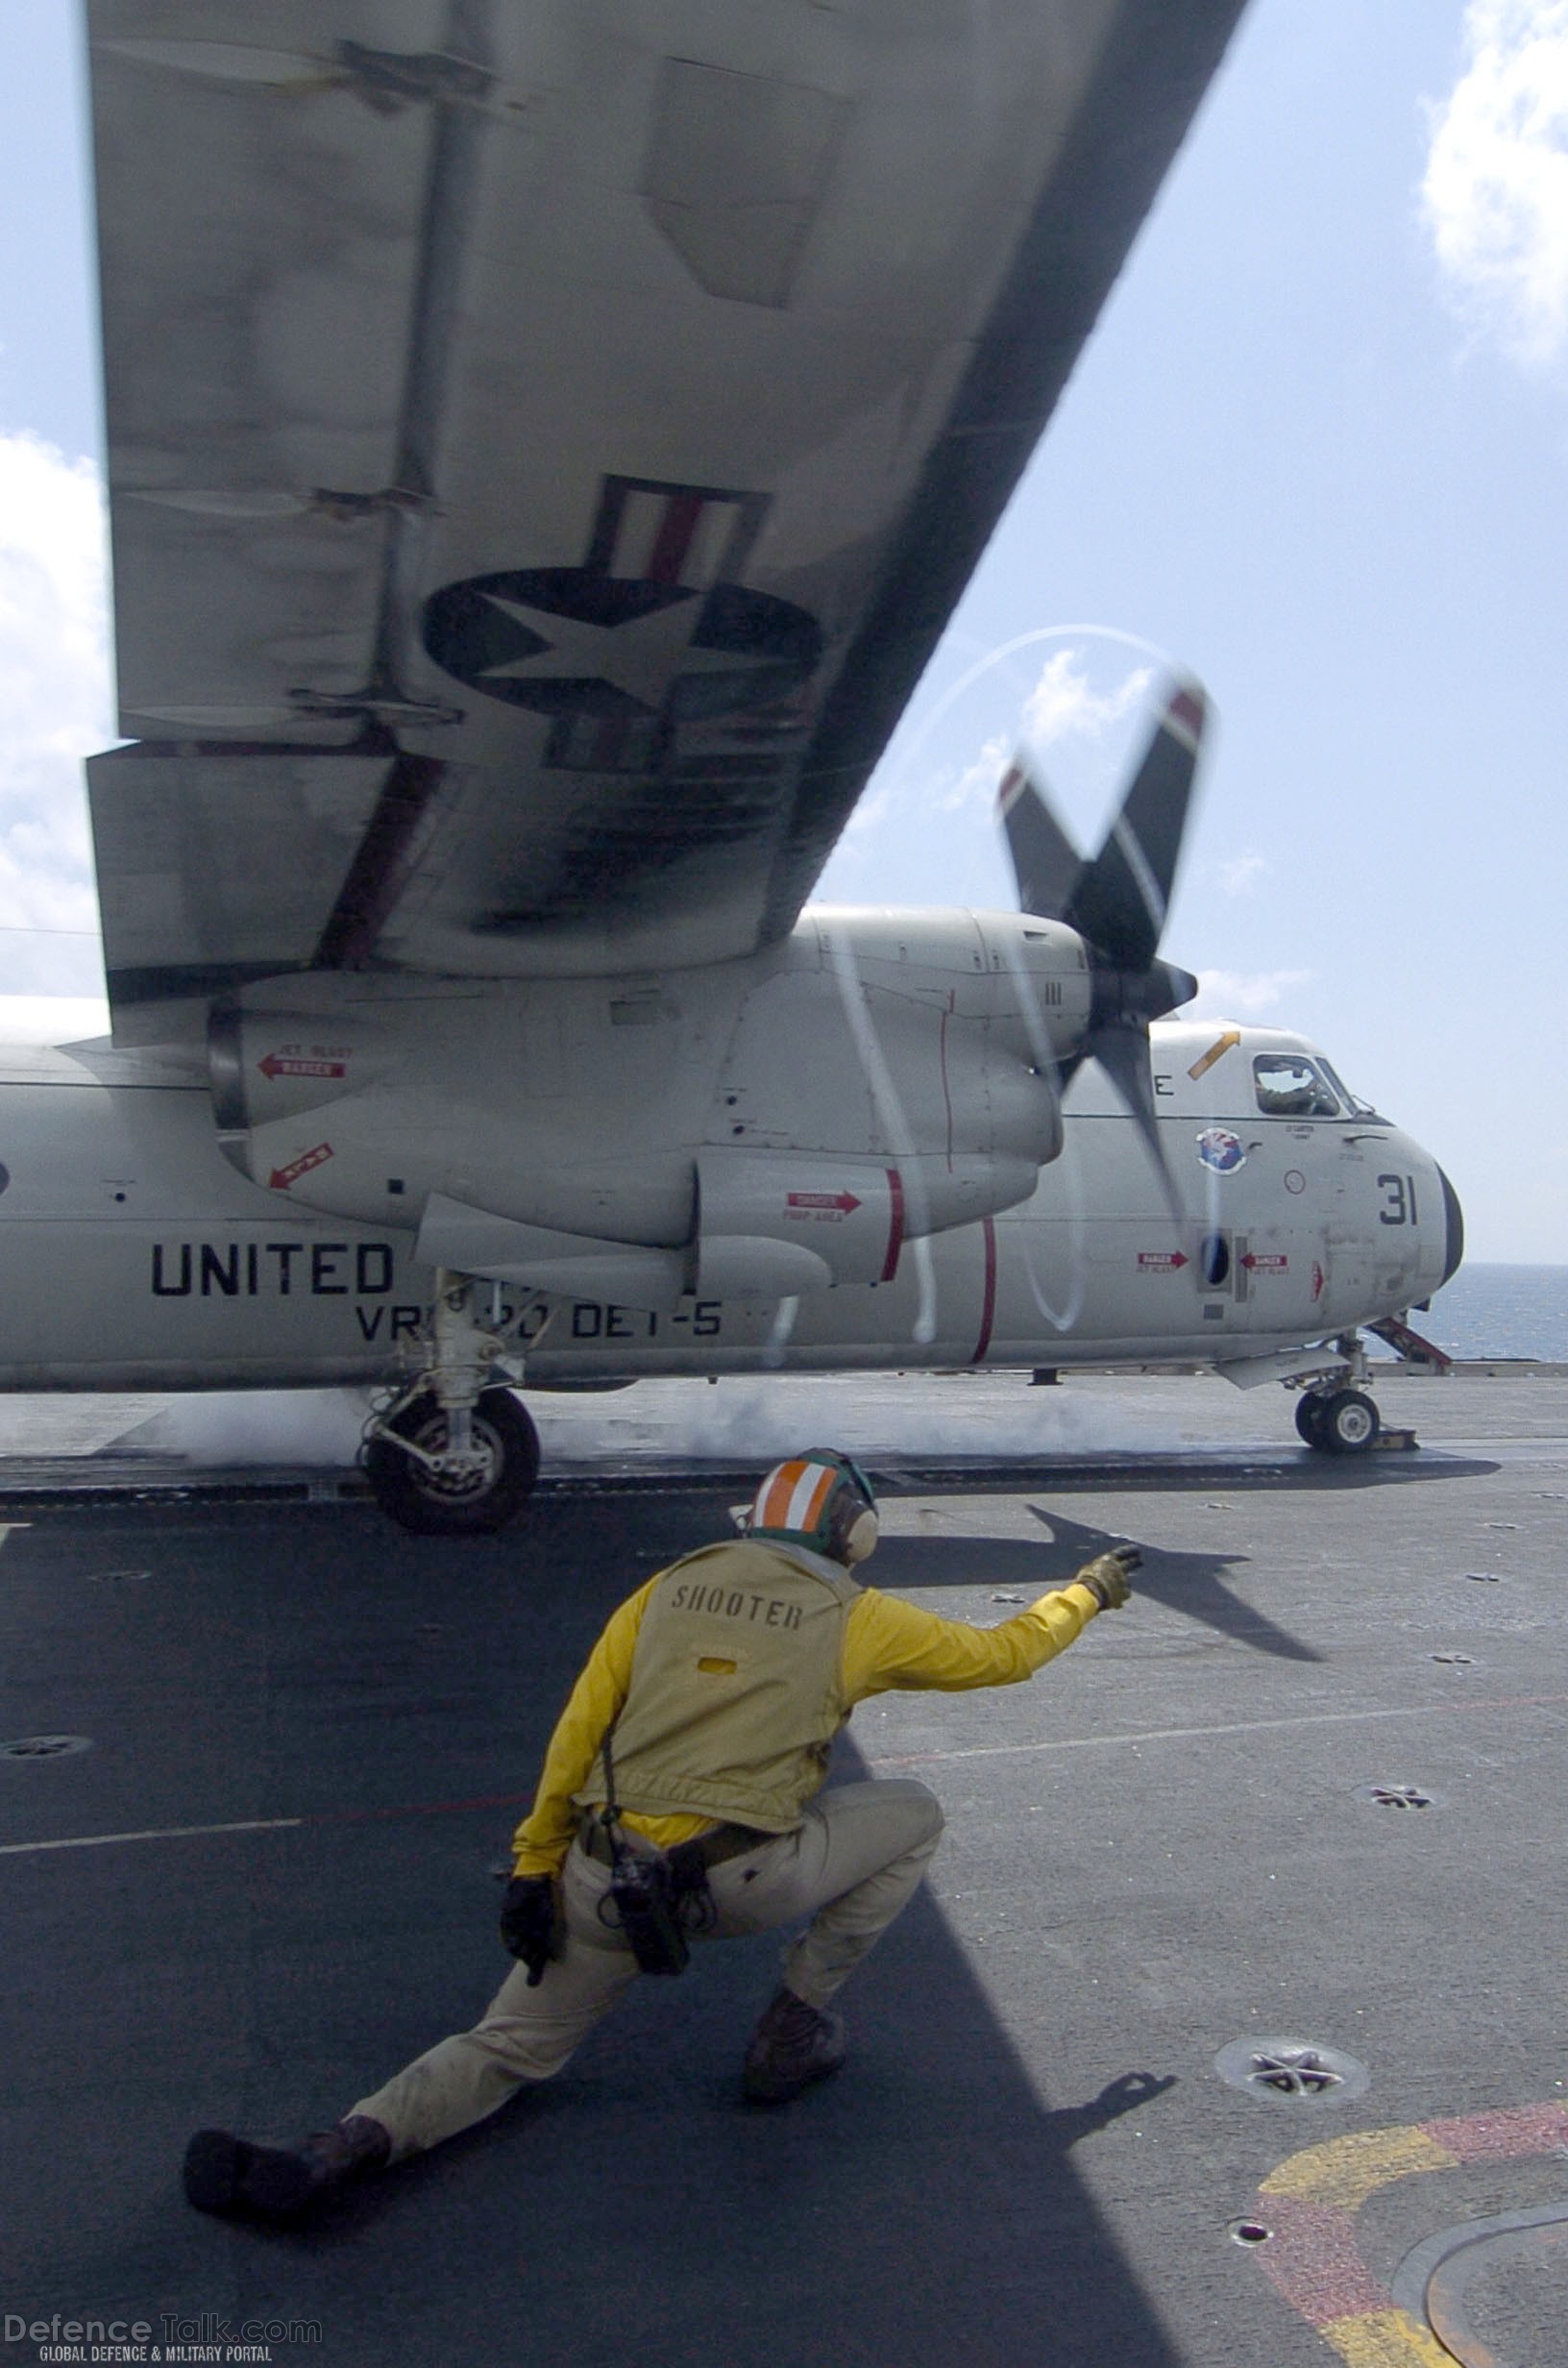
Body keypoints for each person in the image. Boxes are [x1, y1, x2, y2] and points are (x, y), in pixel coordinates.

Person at [184, 1448, 1138, 2223]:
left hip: (601, 1882)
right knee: (913, 1814)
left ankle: (339, 2146)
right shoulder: (860, 1617)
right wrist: (1087, 1590)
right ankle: (794, 2024)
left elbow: (577, 1731)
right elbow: (1005, 1656)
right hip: (741, 1881)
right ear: (856, 1533)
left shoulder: (666, 1589)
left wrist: (533, 1865)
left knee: (504, 2045)